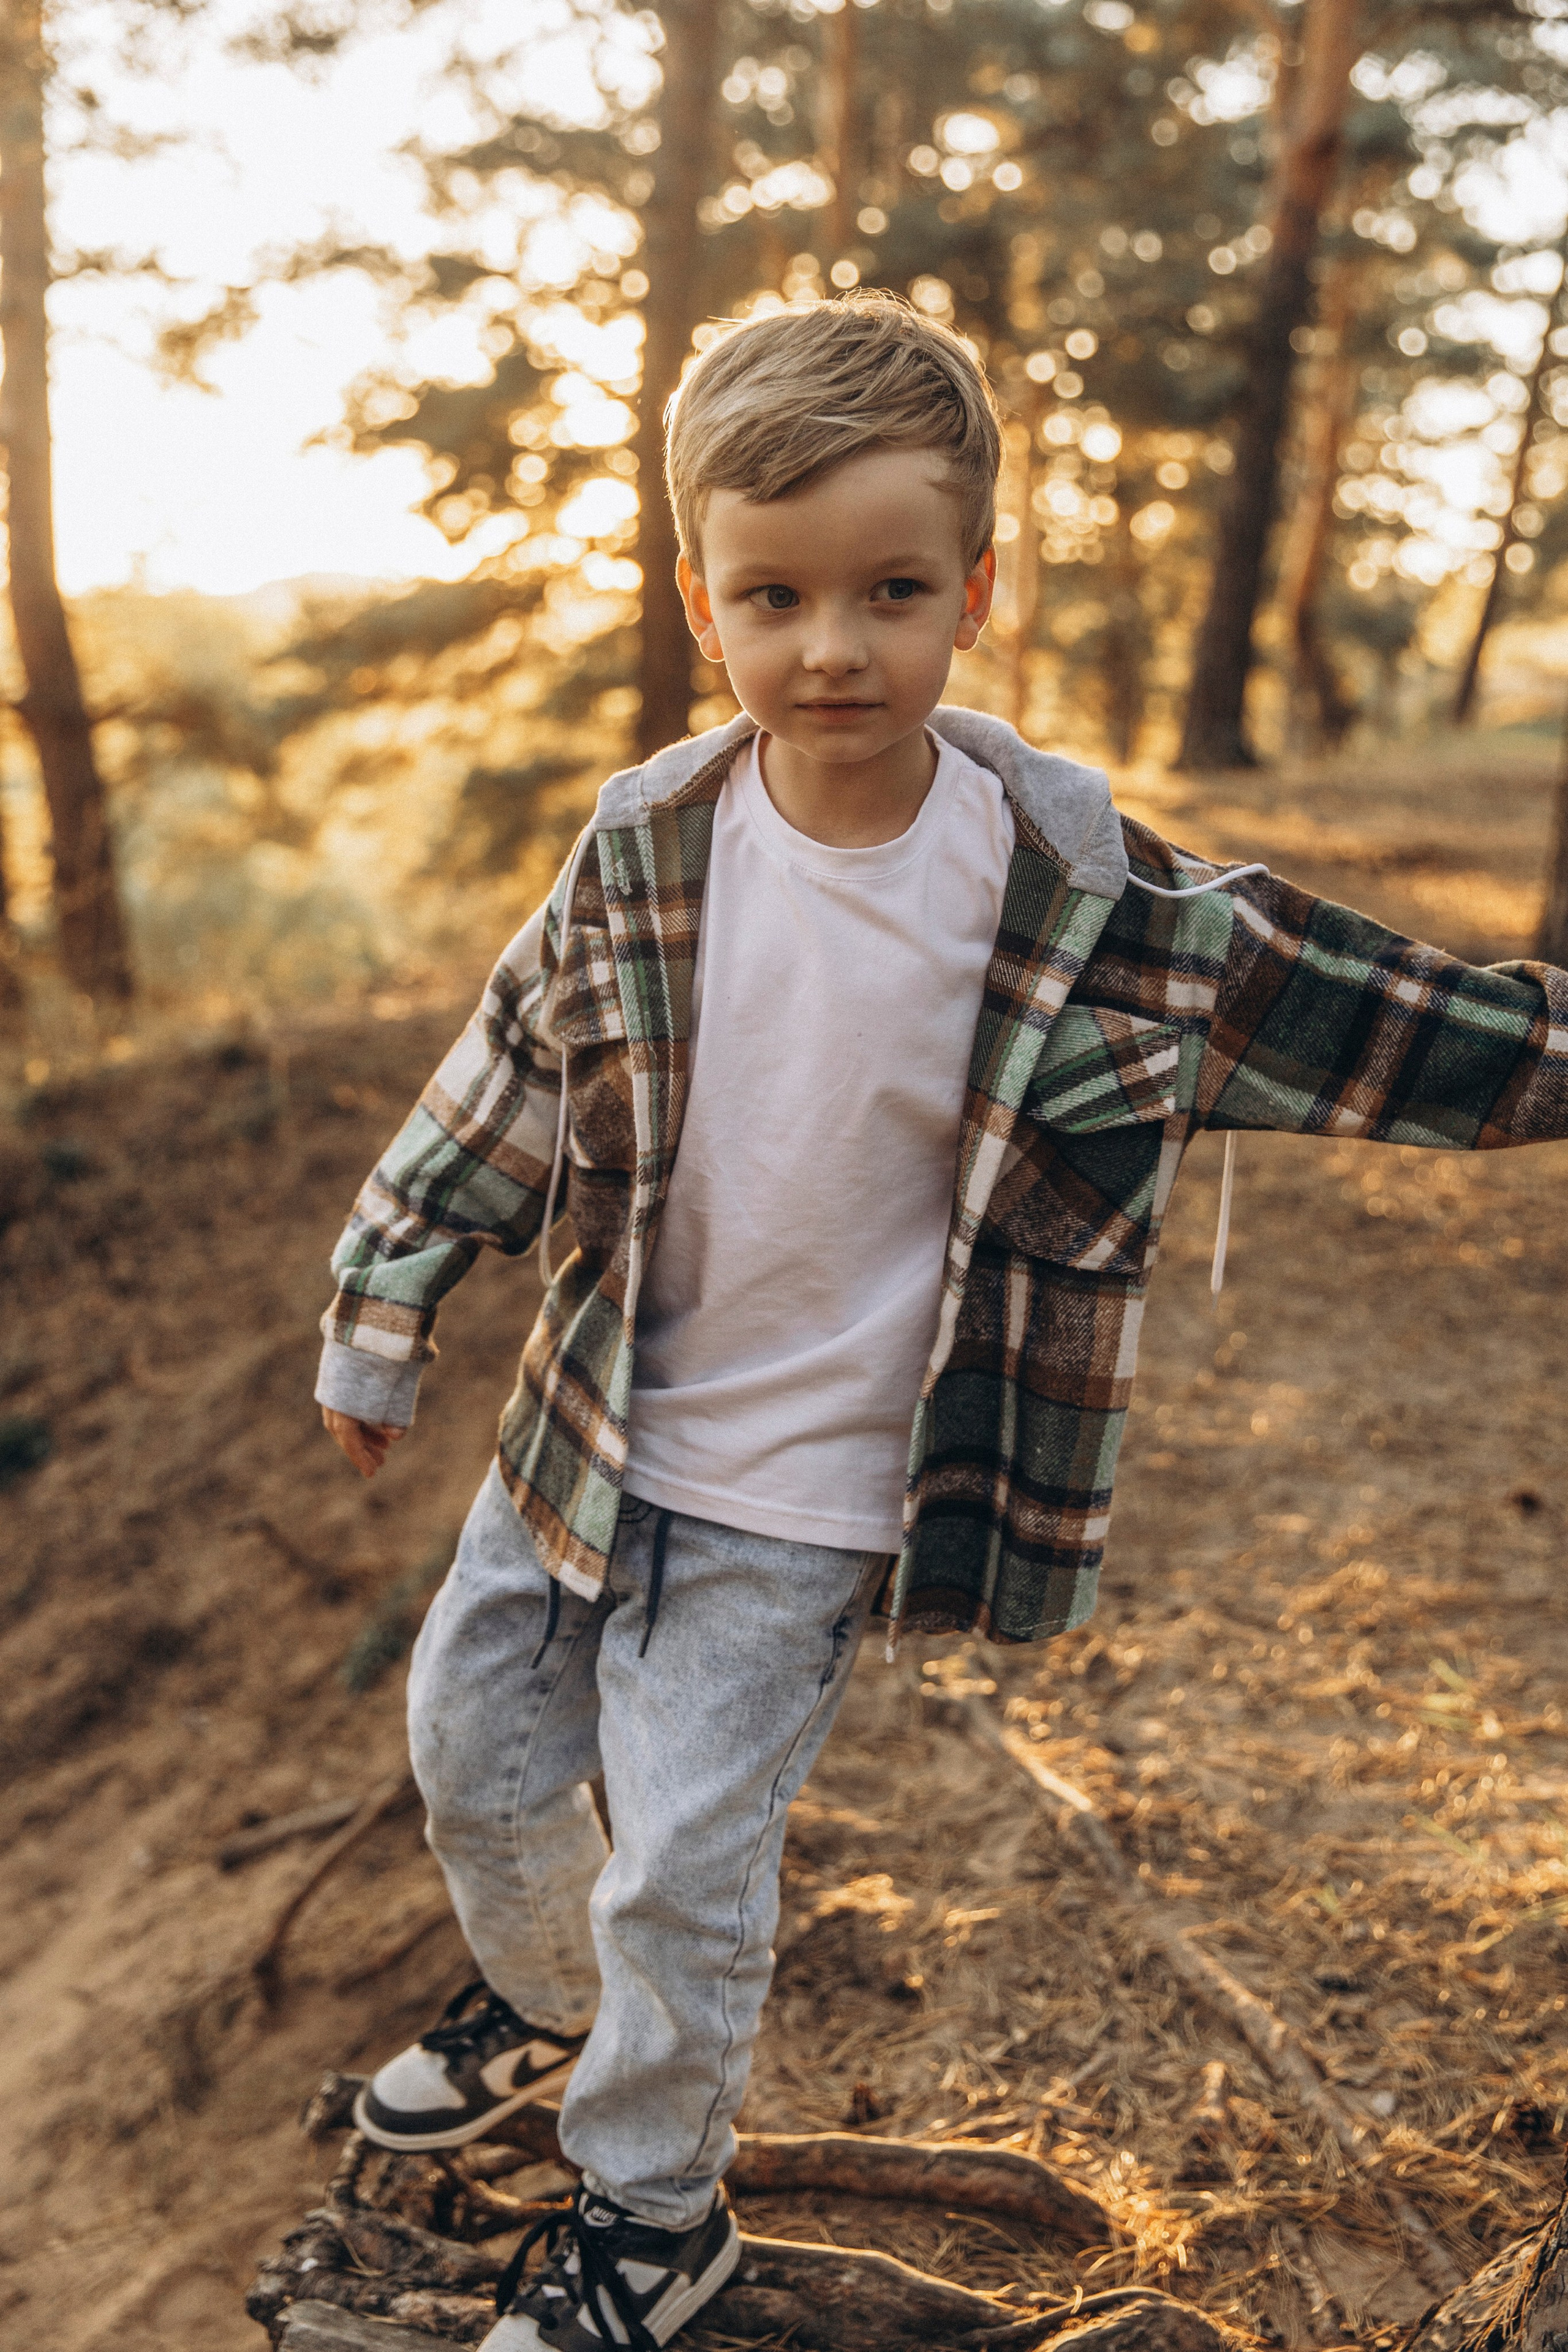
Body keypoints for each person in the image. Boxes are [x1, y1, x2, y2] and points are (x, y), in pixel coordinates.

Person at [316, 292, 1568, 2352]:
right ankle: (543, 2012)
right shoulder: (648, 847)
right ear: (699, 601)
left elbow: (1389, 1024)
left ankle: (651, 2217)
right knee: (471, 1758)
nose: (832, 647)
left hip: (808, 1496)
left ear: (974, 591)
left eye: (891, 591)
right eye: (775, 595)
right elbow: (510, 1068)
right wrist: (383, 1303)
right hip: (585, 1435)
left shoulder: (1087, 908)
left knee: (683, 1871)